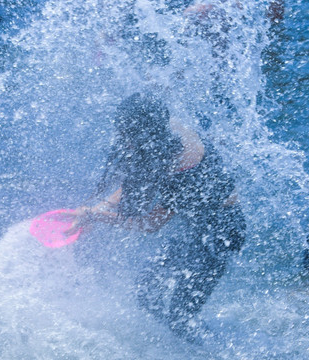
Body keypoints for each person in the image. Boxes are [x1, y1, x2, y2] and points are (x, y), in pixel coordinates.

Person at [69, 93, 246, 342]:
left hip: (221, 232)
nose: (121, 139)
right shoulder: (163, 128)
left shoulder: (184, 164)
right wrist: (98, 207)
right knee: (146, 291)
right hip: (197, 227)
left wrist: (97, 216)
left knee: (180, 317)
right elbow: (140, 172)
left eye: (126, 134)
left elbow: (150, 224)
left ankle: (220, 350)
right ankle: (174, 347)